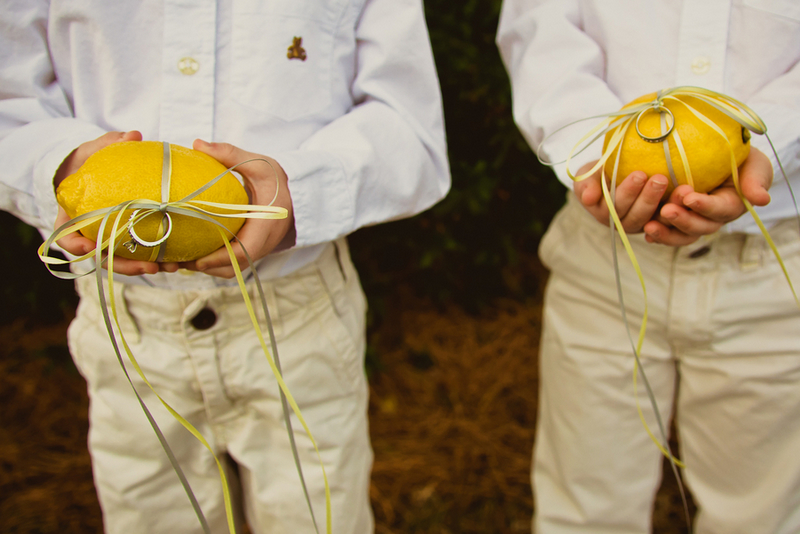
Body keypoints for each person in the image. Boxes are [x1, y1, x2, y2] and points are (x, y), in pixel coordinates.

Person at [0, 1, 450, 533]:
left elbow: (408, 126)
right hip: (130, 329)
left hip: (300, 321)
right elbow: (11, 94)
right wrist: (64, 169)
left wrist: (298, 191)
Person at [497, 1, 800, 533]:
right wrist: (592, 153)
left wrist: (770, 141)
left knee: (762, 515)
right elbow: (542, 27)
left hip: (776, 263)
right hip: (603, 260)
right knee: (586, 507)